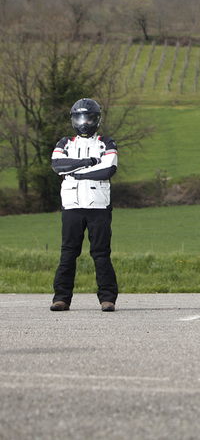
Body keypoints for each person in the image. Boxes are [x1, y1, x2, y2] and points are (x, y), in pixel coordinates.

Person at [50, 98, 119, 312]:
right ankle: (61, 298)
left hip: (98, 206)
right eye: (80, 117)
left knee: (100, 253)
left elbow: (108, 170)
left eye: (88, 117)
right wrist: (88, 162)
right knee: (68, 252)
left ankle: (107, 298)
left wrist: (74, 172)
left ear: (96, 119)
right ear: (73, 119)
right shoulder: (65, 143)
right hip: (71, 206)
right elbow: (57, 166)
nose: (84, 122)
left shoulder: (106, 143)